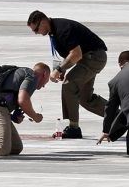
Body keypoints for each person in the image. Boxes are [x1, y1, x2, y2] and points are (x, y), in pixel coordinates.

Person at [26, 10, 107, 139]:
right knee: (85, 98)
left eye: (36, 30)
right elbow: (71, 54)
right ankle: (120, 118)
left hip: (94, 57)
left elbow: (76, 54)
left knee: (69, 85)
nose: (37, 33)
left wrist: (59, 69)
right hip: (88, 58)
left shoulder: (62, 29)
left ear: (43, 21)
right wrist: (63, 69)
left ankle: (74, 128)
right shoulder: (53, 31)